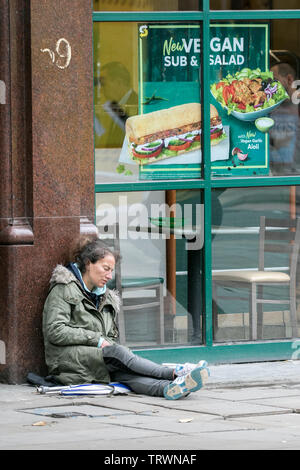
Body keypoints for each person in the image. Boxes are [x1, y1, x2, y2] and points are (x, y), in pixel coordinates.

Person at [42, 236, 210, 400]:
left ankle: (169, 388)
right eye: (105, 268)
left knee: (124, 374)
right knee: (118, 353)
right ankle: (174, 373)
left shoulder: (105, 297)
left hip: (95, 358)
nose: (109, 276)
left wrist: (106, 346)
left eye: (111, 271)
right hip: (65, 361)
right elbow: (55, 330)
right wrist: (97, 340)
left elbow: (110, 338)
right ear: (88, 263)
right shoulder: (64, 289)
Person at [269, 62, 300, 175]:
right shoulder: (269, 106)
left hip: (296, 174)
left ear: (289, 79)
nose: (270, 85)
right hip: (274, 174)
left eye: (274, 80)